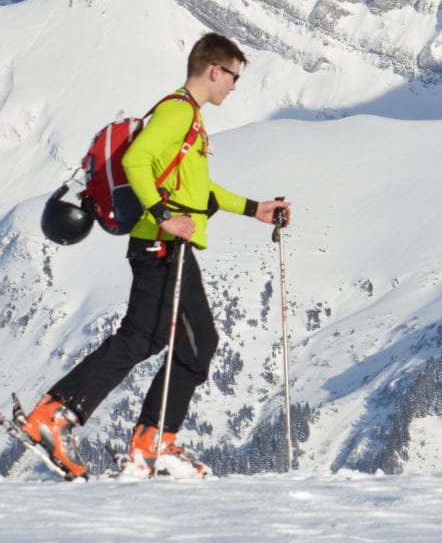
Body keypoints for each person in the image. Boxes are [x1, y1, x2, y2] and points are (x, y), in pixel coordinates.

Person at [18, 32, 290, 479]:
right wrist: (164, 215)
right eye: (233, 77)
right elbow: (137, 161)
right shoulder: (178, 112)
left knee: (148, 338)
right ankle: (145, 443)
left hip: (161, 243)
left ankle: (75, 421)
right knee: (195, 342)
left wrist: (254, 209)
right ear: (213, 70)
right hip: (163, 244)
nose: (235, 87)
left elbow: (198, 189)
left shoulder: (188, 118)